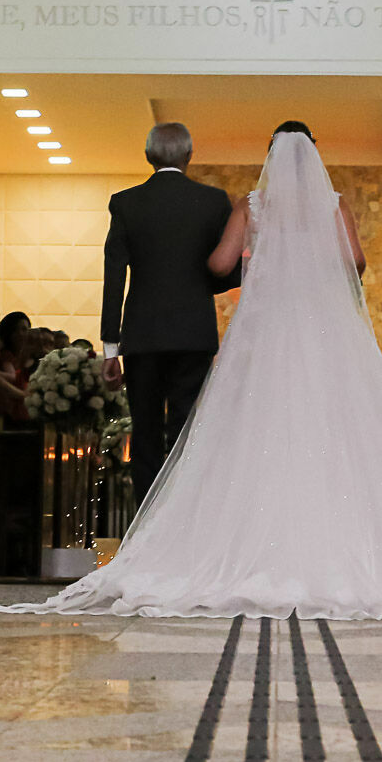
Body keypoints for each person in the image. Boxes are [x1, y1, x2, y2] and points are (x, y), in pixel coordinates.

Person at [0, 123, 382, 621]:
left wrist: (240, 256)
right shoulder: (335, 203)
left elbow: (221, 263)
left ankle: (232, 550)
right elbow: (356, 264)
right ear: (313, 157)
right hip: (324, 331)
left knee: (250, 433)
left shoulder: (250, 203)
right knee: (338, 433)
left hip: (266, 333)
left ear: (267, 160)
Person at [96, 122, 241, 498]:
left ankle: (143, 529)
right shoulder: (213, 202)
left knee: (144, 433)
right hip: (193, 334)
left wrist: (111, 347)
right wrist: (195, 288)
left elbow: (114, 277)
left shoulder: (126, 203)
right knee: (185, 434)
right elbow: (227, 272)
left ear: (148, 156)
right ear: (189, 156)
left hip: (142, 338)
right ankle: (181, 524)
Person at [0, 312, 33, 383]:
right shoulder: (4, 356)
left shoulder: (32, 357)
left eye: (24, 329)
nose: (20, 333)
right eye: (15, 329)